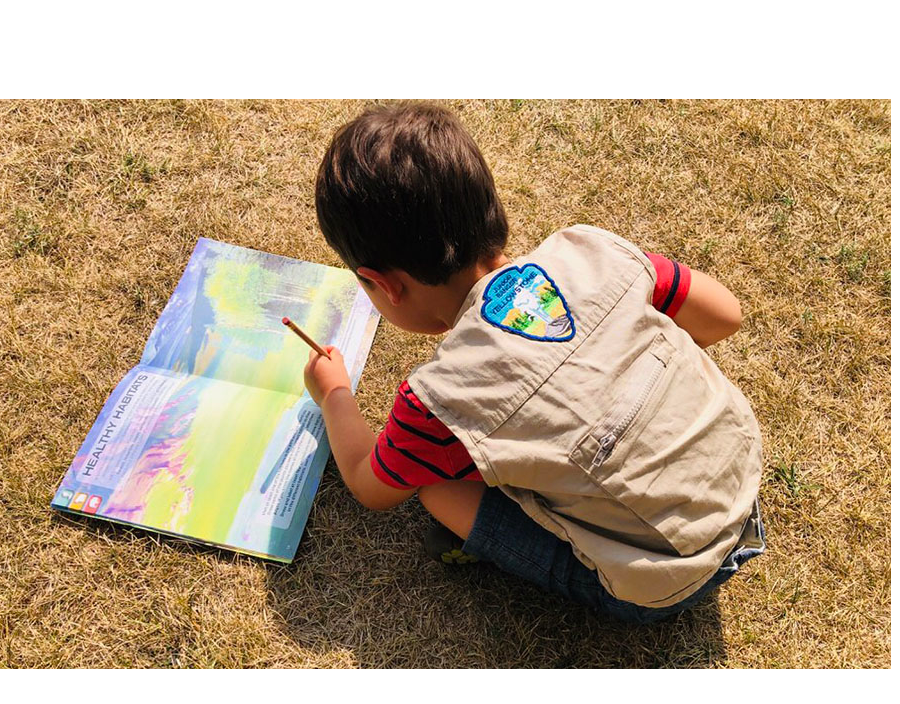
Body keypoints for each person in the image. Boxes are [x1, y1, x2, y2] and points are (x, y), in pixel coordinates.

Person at [302, 102, 765, 624]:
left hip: (668, 579)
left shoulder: (440, 402)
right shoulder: (591, 251)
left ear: (384, 285)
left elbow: (370, 485)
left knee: (436, 488)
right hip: (743, 478)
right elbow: (725, 315)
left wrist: (334, 393)